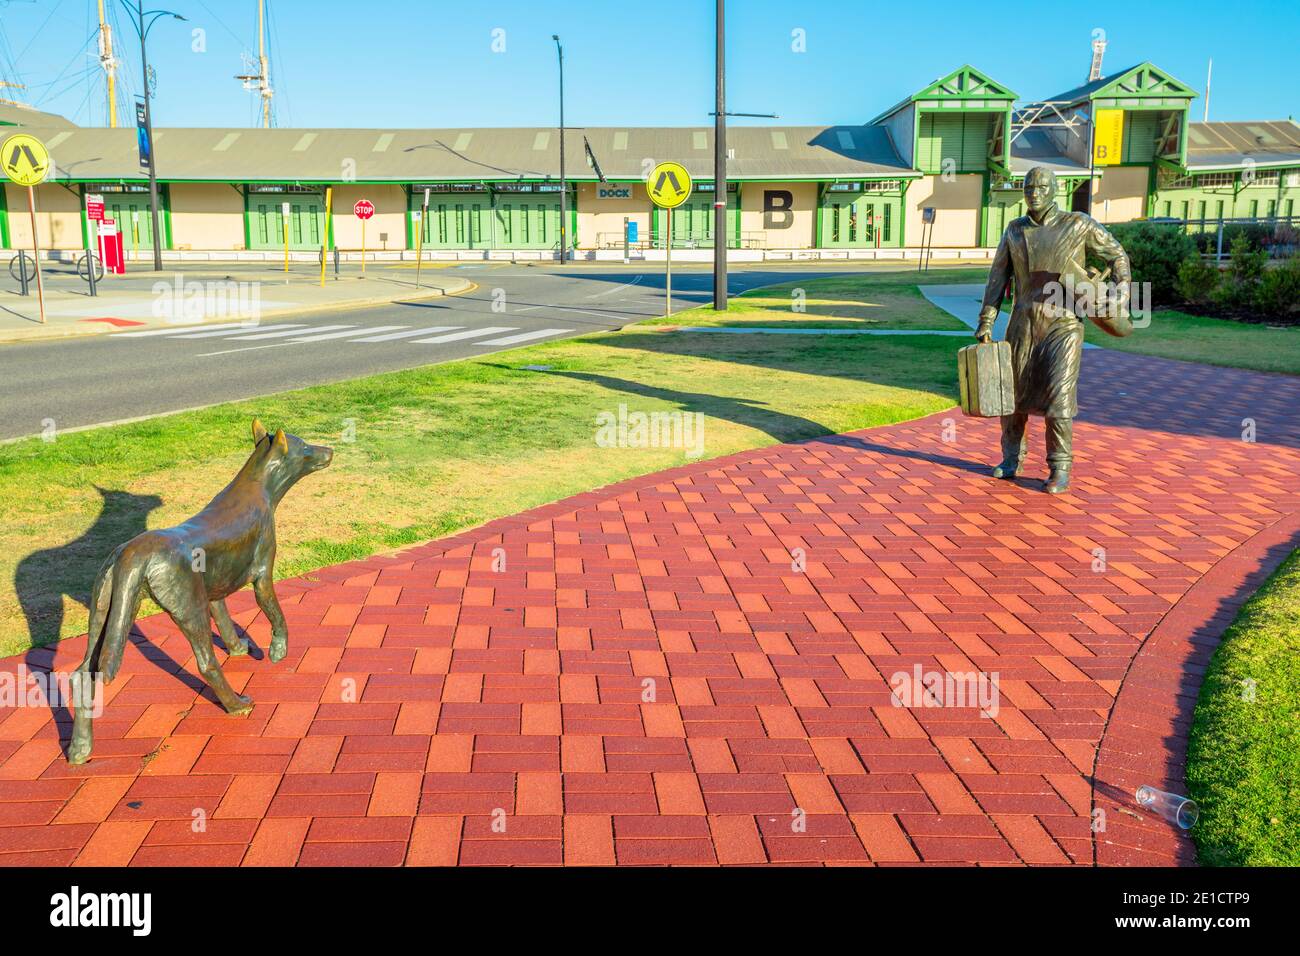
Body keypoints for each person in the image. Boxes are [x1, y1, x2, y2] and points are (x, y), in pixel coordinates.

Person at [976, 165, 1134, 494]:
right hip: (1023, 322)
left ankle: (1059, 467)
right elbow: (997, 278)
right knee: (1013, 397)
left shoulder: (1078, 224)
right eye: (1029, 187)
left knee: (1059, 398)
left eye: (1041, 187)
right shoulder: (1014, 230)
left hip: (1064, 325)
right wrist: (987, 320)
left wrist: (1119, 293)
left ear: (1054, 190)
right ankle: (1011, 458)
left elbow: (1117, 255)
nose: (1034, 192)